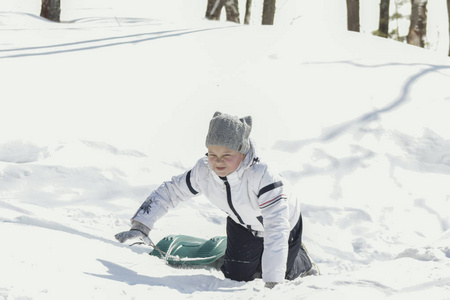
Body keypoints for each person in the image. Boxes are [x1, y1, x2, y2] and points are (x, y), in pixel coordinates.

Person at [115, 112, 316, 288]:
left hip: (283, 226)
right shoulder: (204, 171)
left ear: (242, 152)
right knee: (236, 276)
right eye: (212, 154)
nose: (218, 161)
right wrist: (141, 224)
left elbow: (276, 229)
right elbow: (171, 191)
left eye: (227, 154)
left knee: (277, 273)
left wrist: (273, 282)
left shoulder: (263, 178)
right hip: (242, 224)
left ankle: (302, 258)